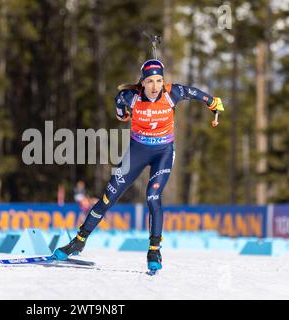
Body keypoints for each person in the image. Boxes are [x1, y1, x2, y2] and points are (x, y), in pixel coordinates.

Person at [53, 59, 224, 272]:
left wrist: (213, 103)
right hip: (137, 152)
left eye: (159, 80)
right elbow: (119, 107)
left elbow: (199, 95)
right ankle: (78, 241)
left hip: (163, 153)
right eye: (150, 81)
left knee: (153, 197)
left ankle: (154, 250)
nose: (155, 86)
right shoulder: (129, 97)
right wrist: (122, 113)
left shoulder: (173, 93)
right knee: (108, 197)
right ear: (142, 82)